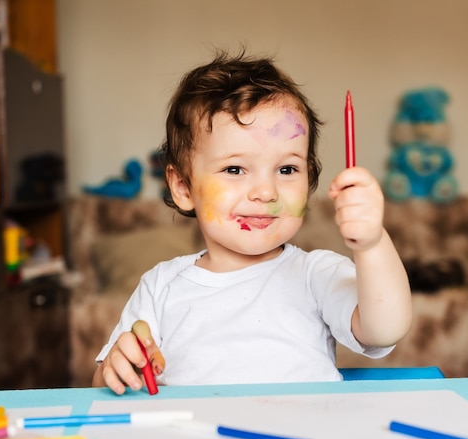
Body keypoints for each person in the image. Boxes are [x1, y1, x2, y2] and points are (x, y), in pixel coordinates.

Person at [92, 50, 413, 394]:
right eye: (234, 169)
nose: (265, 191)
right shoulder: (160, 287)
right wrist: (118, 367)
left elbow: (385, 329)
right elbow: (105, 383)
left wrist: (373, 243)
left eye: (287, 169)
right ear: (183, 187)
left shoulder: (314, 274)